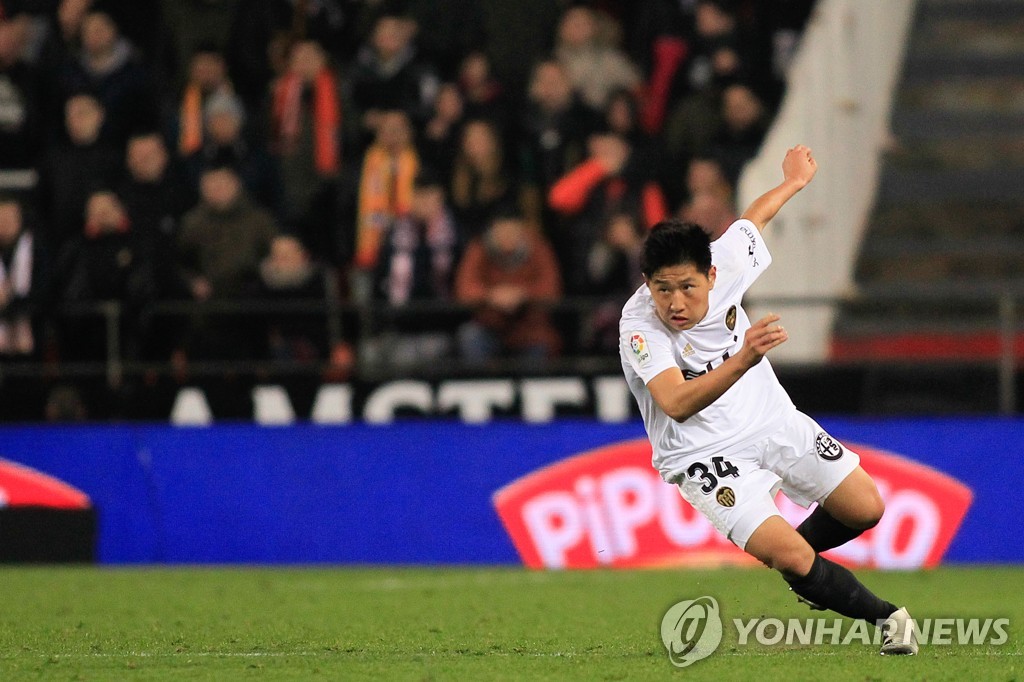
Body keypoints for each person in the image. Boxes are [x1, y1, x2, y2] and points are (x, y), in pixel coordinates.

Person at [618, 145, 918, 656]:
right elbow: (676, 402)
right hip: (703, 455)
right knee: (794, 558)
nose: (675, 302)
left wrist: (793, 181)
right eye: (662, 289)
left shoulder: (727, 260)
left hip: (770, 419)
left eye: (687, 287)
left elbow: (752, 219)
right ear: (647, 284)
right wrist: (744, 358)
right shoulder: (640, 328)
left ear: (712, 275)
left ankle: (802, 567)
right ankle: (890, 620)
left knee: (865, 508)